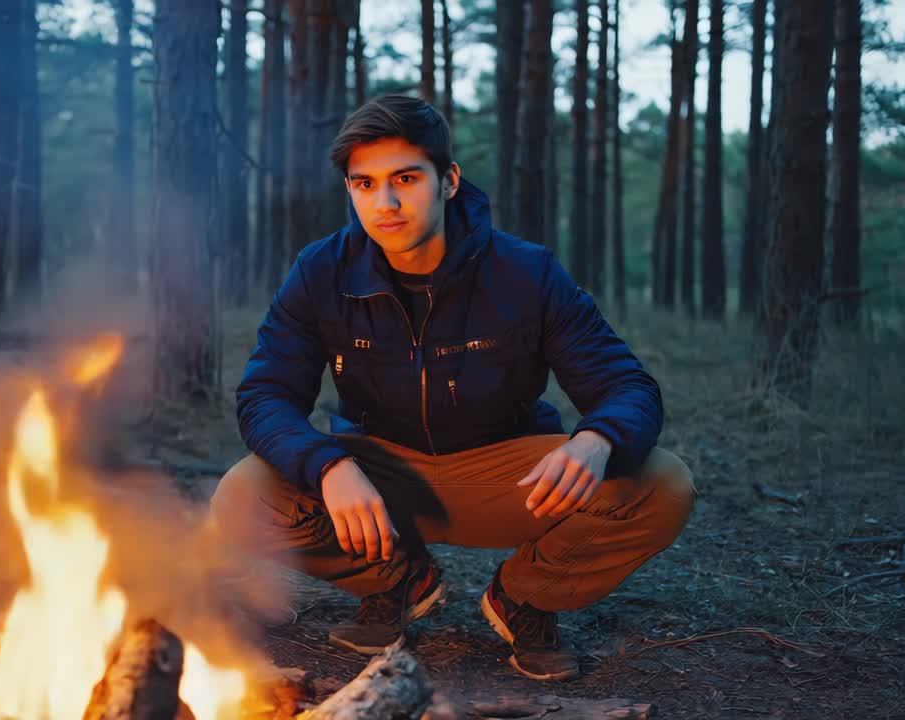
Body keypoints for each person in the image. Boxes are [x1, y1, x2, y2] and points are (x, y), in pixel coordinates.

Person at [210, 95, 694, 681]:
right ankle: (398, 580)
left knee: (664, 484)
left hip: (509, 478)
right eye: (364, 184)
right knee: (243, 495)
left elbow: (627, 387)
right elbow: (265, 396)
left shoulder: (527, 272)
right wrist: (329, 467)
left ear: (449, 180)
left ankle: (524, 597)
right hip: (380, 476)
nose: (384, 203)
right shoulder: (322, 271)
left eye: (405, 179)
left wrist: (596, 439)